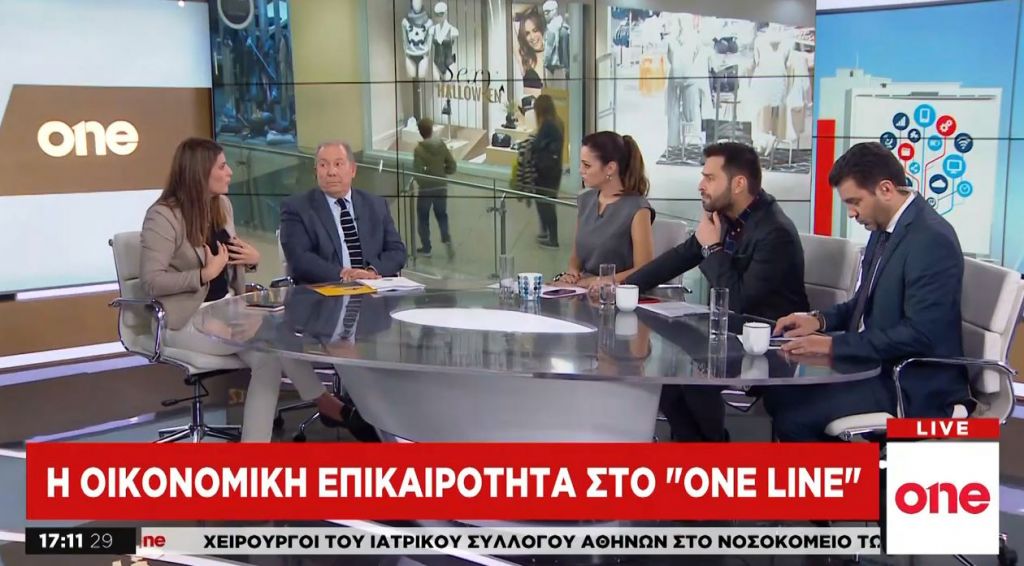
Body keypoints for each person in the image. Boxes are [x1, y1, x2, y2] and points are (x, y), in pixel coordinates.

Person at [139, 137, 346, 442]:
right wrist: (203, 274)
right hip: (182, 319)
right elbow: (151, 282)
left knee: (270, 356)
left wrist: (251, 260)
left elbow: (228, 258)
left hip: (226, 310)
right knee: (272, 343)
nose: (230, 172)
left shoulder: (221, 205)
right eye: (222, 166)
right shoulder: (163, 216)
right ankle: (325, 402)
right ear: (200, 172)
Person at [769, 142, 972, 441]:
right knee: (779, 396)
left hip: (911, 383)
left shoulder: (931, 239)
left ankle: (849, 472)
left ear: (886, 189)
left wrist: (833, 346)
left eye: (855, 202)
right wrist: (818, 320)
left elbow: (921, 333)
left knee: (795, 416)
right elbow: (865, 303)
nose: (852, 213)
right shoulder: (883, 229)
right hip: (875, 367)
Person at [625, 142, 809, 321]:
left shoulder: (776, 234)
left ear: (738, 184)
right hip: (725, 330)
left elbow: (737, 304)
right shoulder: (726, 216)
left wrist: (712, 248)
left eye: (710, 178)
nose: (701, 185)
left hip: (768, 335)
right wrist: (624, 287)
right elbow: (680, 257)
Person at [279, 140, 407, 284]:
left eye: (338, 164)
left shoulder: (376, 205)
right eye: (323, 165)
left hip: (373, 287)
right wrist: (344, 274)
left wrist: (371, 272)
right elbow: (299, 258)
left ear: (353, 170)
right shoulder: (296, 208)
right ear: (316, 171)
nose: (331, 172)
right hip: (325, 290)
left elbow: (397, 251)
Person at [556, 131, 654, 289]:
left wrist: (599, 281)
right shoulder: (585, 200)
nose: (580, 170)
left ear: (610, 168)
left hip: (618, 292)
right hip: (582, 290)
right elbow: (576, 259)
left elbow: (644, 269)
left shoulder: (638, 208)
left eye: (587, 165)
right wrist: (572, 273)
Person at [412, 118, 456, 258]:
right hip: (441, 186)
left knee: (423, 217)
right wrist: (443, 172)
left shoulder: (419, 150)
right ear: (431, 130)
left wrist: (423, 182)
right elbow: (452, 165)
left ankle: (426, 248)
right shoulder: (441, 145)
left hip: (426, 189)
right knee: (441, 214)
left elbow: (418, 172)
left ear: (420, 132)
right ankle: (446, 238)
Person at [532, 94, 565, 248]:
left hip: (545, 171)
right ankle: (546, 232)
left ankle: (552, 238)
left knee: (545, 203)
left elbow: (537, 145)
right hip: (554, 169)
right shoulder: (558, 122)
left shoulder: (547, 125)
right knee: (548, 202)